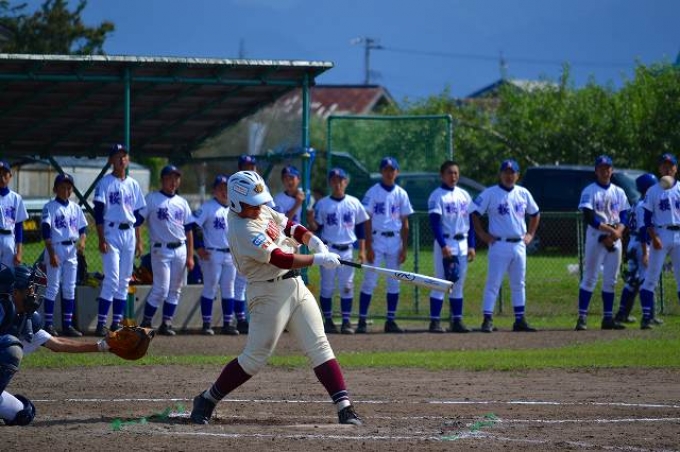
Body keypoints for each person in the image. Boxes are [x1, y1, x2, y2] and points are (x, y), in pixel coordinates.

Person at [189, 170, 362, 426]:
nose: (259, 208)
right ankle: (207, 399)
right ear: (237, 203)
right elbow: (280, 258)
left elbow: (289, 226)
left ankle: (344, 407)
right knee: (254, 359)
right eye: (253, 204)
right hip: (267, 293)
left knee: (320, 346)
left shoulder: (260, 209)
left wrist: (313, 240)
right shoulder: (242, 228)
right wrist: (318, 259)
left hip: (295, 286)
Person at [0, 264, 126, 426]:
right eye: (30, 289)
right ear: (15, 292)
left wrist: (102, 346)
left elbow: (57, 344)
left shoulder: (23, 318)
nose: (33, 294)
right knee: (10, 349)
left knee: (24, 413)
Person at [471, 159, 540, 333]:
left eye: (512, 172)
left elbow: (535, 213)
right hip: (499, 243)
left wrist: (530, 234)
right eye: (506, 172)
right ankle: (487, 319)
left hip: (519, 244)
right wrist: (482, 234)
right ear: (500, 174)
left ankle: (520, 319)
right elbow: (474, 212)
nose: (509, 176)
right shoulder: (490, 193)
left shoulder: (523, 193)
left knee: (519, 283)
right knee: (493, 283)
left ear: (517, 175)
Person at [93, 144, 147, 337]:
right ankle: (101, 323)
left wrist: (139, 240)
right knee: (112, 278)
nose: (121, 159)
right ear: (111, 160)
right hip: (111, 232)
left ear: (128, 160)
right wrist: (101, 238)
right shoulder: (105, 183)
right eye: (117, 156)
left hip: (129, 233)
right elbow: (98, 213)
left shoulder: (133, 184)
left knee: (124, 280)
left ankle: (116, 322)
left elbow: (138, 215)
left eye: (124, 156)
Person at [307, 168, 369, 334]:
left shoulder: (354, 202)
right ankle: (328, 321)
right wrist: (311, 219)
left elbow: (361, 229)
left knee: (347, 286)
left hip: (347, 249)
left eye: (340, 180)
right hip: (329, 249)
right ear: (330, 183)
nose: (337, 183)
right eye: (334, 180)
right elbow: (317, 228)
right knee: (327, 287)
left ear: (346, 182)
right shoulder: (323, 203)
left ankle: (346, 322)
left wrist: (362, 251)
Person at [357, 156, 414, 334]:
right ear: (381, 172)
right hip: (377, 239)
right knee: (369, 281)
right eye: (386, 170)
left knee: (394, 281)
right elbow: (366, 220)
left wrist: (404, 247)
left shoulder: (401, 193)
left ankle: (390, 320)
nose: (389, 173)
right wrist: (369, 245)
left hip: (395, 240)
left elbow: (405, 223)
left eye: (392, 170)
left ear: (397, 172)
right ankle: (362, 321)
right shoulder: (373, 192)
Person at [574, 155, 631, 331]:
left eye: (607, 168)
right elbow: (589, 217)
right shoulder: (590, 190)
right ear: (596, 171)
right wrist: (611, 231)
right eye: (601, 168)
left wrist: (618, 231)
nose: (605, 171)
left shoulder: (619, 191)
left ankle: (607, 318)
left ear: (612, 170)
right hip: (596, 234)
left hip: (615, 235)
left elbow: (625, 214)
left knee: (611, 279)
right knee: (590, 277)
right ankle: (582, 317)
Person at [139, 165, 195, 336]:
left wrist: (190, 256)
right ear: (162, 180)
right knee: (161, 288)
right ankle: (146, 321)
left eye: (176, 178)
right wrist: (139, 240)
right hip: (160, 249)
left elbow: (189, 230)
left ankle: (166, 322)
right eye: (170, 178)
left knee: (175, 289)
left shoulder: (182, 202)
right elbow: (138, 221)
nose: (173, 181)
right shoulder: (152, 198)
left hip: (180, 248)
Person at [427, 160, 476, 333]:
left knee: (458, 283)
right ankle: (434, 322)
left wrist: (472, 245)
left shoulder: (464, 195)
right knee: (441, 281)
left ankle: (457, 321)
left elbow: (471, 222)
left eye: (456, 173)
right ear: (442, 175)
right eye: (449, 172)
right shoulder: (437, 195)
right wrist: (443, 245)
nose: (453, 176)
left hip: (462, 243)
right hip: (446, 242)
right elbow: (435, 223)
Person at [40, 173, 88, 337]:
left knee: (69, 287)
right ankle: (48, 324)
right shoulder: (50, 207)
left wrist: (82, 241)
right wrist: (52, 254)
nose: (66, 190)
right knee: (53, 287)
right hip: (56, 247)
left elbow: (83, 229)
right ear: (55, 189)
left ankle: (67, 325)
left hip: (71, 249)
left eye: (69, 187)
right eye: (62, 187)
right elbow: (45, 231)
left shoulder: (75, 207)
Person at [193, 174, 240, 335]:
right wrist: (198, 246)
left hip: (230, 254)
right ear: (214, 191)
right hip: (212, 254)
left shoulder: (234, 209)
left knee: (229, 288)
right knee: (210, 287)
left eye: (227, 188)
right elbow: (194, 225)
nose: (224, 192)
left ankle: (227, 324)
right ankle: (206, 324)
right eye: (220, 188)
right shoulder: (208, 207)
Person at [639, 153, 680, 329]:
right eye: (664, 165)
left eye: (671, 165)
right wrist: (654, 236)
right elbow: (647, 218)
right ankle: (646, 317)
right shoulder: (653, 190)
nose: (667, 168)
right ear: (659, 169)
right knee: (651, 278)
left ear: (676, 168)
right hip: (661, 234)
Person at [614, 173, 658, 325]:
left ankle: (625, 314)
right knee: (644, 280)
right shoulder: (643, 205)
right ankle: (646, 316)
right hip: (641, 244)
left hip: (636, 243)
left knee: (635, 281)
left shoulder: (638, 203)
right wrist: (645, 252)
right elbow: (643, 230)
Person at [0, 160, 28, 268]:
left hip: (9, 239)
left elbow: (19, 226)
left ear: (10, 176)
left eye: (4, 174)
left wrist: (19, 252)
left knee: (9, 273)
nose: (2, 177)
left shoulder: (16, 198)